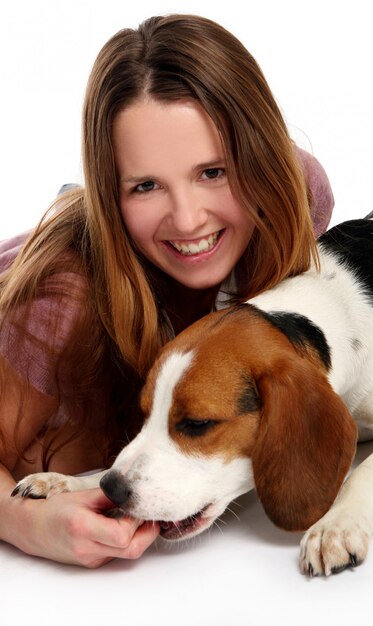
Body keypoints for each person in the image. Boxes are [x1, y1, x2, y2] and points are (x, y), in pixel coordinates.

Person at [0, 14, 334, 568]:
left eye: (214, 171)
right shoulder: (60, 305)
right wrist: (21, 523)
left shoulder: (294, 200)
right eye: (146, 185)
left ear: (264, 162)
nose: (188, 219)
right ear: (109, 193)